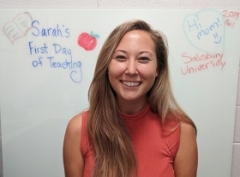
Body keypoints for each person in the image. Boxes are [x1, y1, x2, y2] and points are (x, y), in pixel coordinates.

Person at [63, 19, 198, 177]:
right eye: (121, 58)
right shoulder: (78, 129)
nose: (131, 70)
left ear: (158, 70)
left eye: (143, 59)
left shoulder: (181, 131)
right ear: (107, 66)